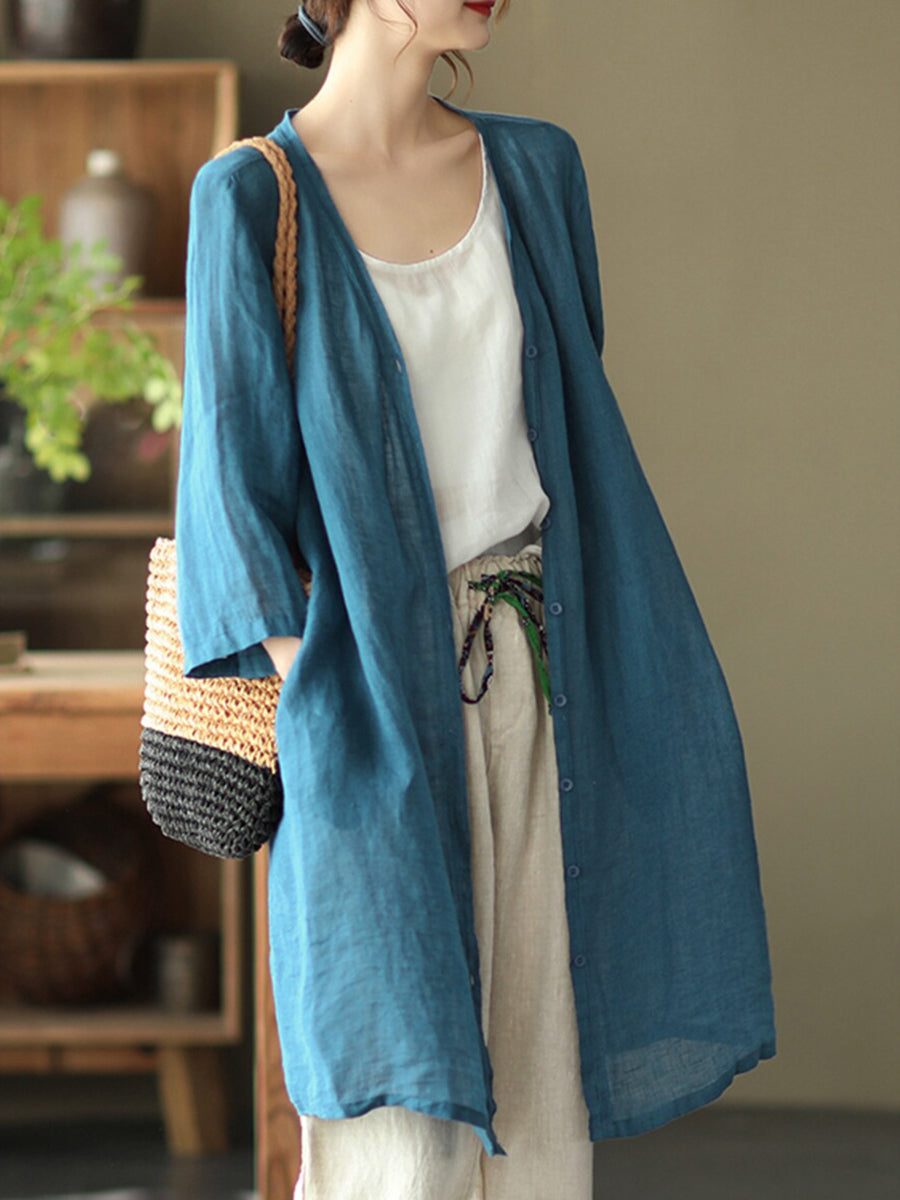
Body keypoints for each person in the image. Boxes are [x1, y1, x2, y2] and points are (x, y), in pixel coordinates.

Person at [175, 3, 777, 1198]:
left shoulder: (538, 170)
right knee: (399, 1140)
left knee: (547, 1119)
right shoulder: (248, 197)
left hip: (546, 674)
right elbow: (229, 495)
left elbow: (565, 426)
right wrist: (326, 688)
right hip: (369, 694)